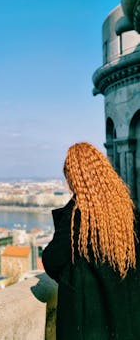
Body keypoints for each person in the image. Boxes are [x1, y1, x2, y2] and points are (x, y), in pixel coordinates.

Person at [42, 142, 140, 340]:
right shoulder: (127, 211)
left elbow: (51, 260)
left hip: (87, 320)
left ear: (75, 178)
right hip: (125, 318)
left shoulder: (78, 216)